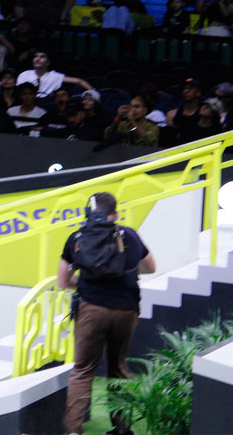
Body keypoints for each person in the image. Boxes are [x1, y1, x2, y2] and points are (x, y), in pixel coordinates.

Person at [58, 192, 156, 435]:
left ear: (88, 213)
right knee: (118, 368)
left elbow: (63, 281)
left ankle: (73, 431)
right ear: (115, 214)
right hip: (126, 309)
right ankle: (122, 429)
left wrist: (86, 283)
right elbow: (151, 267)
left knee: (83, 371)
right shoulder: (129, 235)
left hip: (90, 309)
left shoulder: (76, 238)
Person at [17, 49, 92, 98]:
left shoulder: (54, 76)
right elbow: (18, 92)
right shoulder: (24, 75)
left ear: (48, 63)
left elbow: (79, 81)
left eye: (42, 57)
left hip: (47, 104)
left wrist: (93, 92)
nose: (38, 59)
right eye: (36, 56)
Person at [167, 78, 204, 142]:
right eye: (184, 88)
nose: (186, 91)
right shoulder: (172, 114)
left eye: (190, 88)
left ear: (198, 93)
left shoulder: (204, 113)